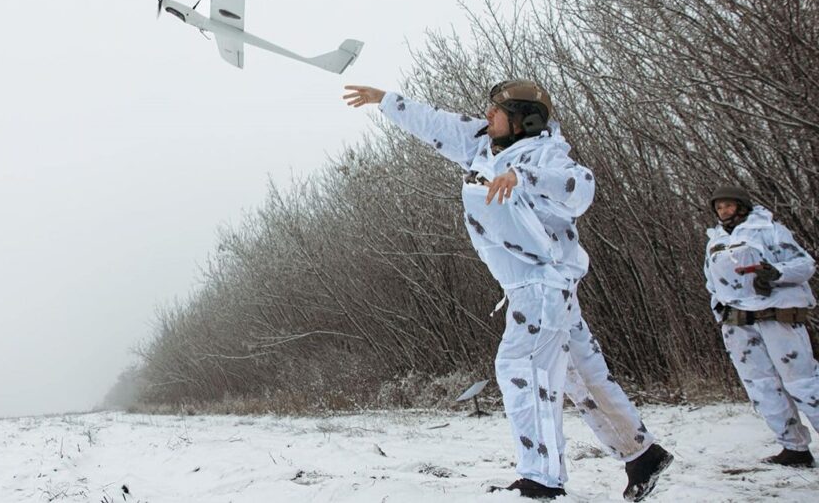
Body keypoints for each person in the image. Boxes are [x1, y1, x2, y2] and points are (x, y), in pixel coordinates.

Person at [343, 81, 672, 500]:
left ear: (524, 120)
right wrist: (386, 101)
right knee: (581, 375)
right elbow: (438, 124)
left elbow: (580, 187)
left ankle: (541, 480)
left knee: (522, 368)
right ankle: (641, 454)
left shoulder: (546, 154)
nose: (487, 116)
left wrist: (524, 177)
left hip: (542, 286)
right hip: (533, 290)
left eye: (496, 111)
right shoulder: (483, 146)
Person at [705, 185, 819, 467]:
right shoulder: (716, 241)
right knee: (762, 387)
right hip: (738, 322)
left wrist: (776, 274)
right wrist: (718, 309)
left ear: (742, 206)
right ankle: (793, 447)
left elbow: (804, 264)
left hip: (776, 316)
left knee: (802, 382)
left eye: (729, 205)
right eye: (719, 207)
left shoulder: (768, 230)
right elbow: (711, 281)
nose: (724, 211)